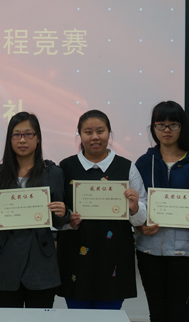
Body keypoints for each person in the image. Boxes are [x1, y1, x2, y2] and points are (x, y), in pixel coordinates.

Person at [135, 101, 189, 322]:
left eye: (173, 124)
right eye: (160, 125)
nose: (166, 130)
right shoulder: (143, 163)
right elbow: (136, 205)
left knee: (180, 314)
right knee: (157, 314)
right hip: (149, 252)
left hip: (187, 253)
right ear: (153, 128)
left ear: (182, 127)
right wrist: (140, 225)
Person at [56, 109, 147, 310]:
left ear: (109, 133)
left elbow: (141, 218)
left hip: (114, 255)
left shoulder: (126, 167)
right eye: (88, 132)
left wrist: (134, 208)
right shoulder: (65, 167)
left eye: (100, 131)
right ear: (80, 135)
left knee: (109, 316)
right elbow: (56, 215)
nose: (95, 137)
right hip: (74, 254)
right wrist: (67, 221)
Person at [0, 112, 70, 308]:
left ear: (38, 138)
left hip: (41, 263)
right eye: (16, 135)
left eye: (28, 134)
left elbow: (59, 222)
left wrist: (63, 213)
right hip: (7, 262)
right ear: (10, 139)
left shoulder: (53, 173)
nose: (22, 140)